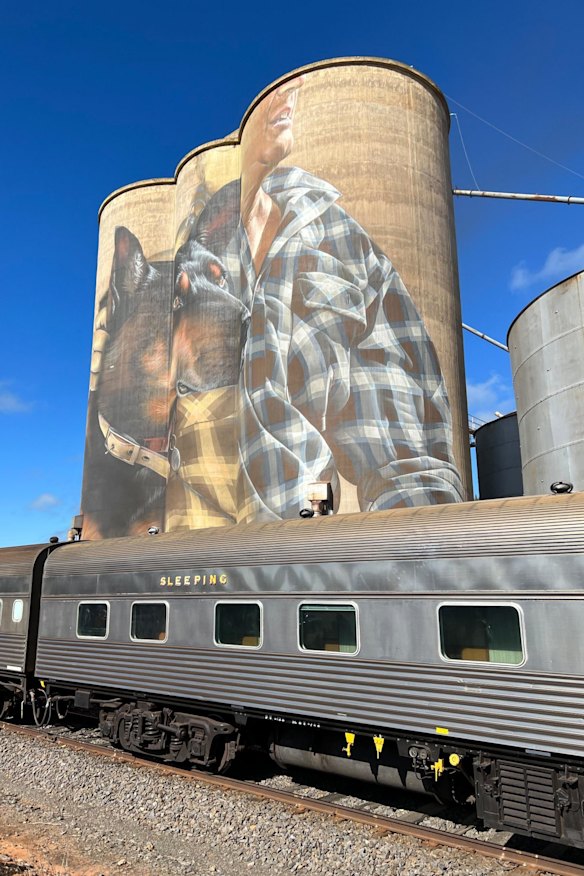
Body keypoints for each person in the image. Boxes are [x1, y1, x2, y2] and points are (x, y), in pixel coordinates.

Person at [191, 76, 464, 522]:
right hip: (217, 550)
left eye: (291, 92)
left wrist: (415, 545)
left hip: (319, 559)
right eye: (273, 95)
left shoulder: (338, 236)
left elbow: (407, 421)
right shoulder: (193, 263)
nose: (286, 98)